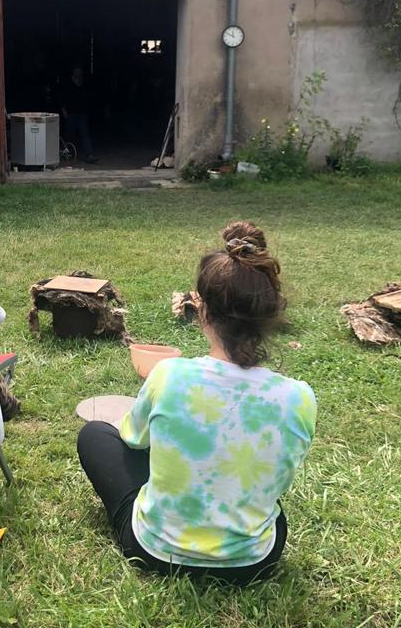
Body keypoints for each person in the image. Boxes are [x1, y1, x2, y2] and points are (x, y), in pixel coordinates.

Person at [77, 221, 316, 585]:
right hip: (254, 563)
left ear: (201, 309)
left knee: (95, 435)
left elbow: (133, 439)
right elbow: (278, 477)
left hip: (156, 552)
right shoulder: (299, 398)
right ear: (270, 314)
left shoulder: (169, 375)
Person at [61, 65, 98, 164]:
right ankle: (67, 153)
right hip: (71, 113)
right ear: (73, 72)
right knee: (69, 134)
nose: (79, 73)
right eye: (77, 71)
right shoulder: (68, 84)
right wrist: (64, 109)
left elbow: (87, 96)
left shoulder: (84, 83)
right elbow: (63, 97)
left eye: (80, 71)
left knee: (85, 134)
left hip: (82, 113)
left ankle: (89, 155)